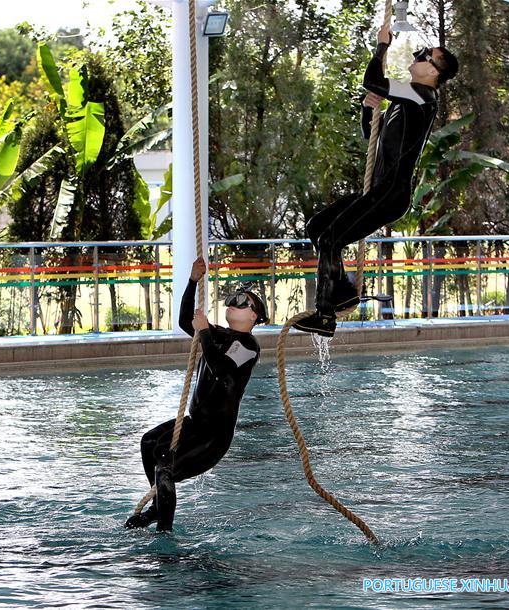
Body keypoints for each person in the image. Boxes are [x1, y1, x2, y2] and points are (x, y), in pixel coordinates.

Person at [295, 24, 459, 337]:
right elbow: (374, 137)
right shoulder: (406, 99)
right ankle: (344, 291)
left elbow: (372, 81)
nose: (417, 55)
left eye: (424, 55)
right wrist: (367, 111)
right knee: (317, 228)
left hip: (390, 194)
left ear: (433, 72)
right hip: (378, 190)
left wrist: (382, 46)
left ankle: (325, 315)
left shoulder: (423, 95)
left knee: (331, 239)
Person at [125, 257, 267, 532]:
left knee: (165, 467)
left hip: (213, 437)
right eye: (232, 298)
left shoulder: (249, 346)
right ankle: (159, 506)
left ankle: (164, 534)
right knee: (149, 443)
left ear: (253, 316)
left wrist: (204, 331)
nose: (233, 302)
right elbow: (183, 321)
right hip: (193, 424)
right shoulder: (218, 335)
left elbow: (221, 369)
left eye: (242, 301)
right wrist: (192, 281)